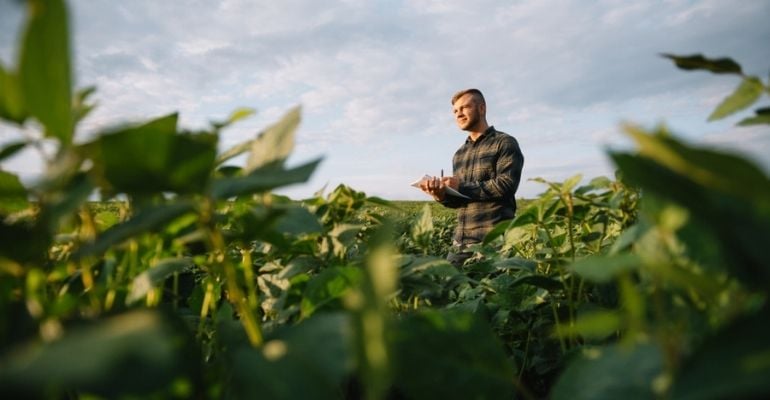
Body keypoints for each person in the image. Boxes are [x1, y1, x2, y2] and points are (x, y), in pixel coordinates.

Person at [420, 88, 524, 266]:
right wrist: (441, 195)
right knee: (449, 289)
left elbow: (506, 185)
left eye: (464, 107)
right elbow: (461, 201)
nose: (458, 114)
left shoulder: (504, 142)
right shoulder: (459, 154)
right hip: (460, 242)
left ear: (482, 108)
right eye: (455, 111)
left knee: (492, 291)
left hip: (494, 243)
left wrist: (461, 186)